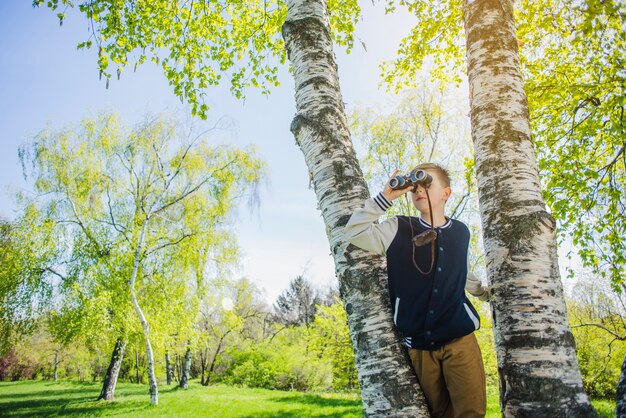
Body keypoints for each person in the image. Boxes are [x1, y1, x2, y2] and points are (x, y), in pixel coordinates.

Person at [344, 163, 490, 418]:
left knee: (471, 412)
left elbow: (463, 272)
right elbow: (354, 231)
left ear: (446, 193)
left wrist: (485, 294)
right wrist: (386, 196)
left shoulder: (461, 232)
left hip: (460, 338)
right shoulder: (397, 228)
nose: (419, 190)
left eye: (427, 183)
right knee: (436, 413)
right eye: (415, 186)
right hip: (420, 346)